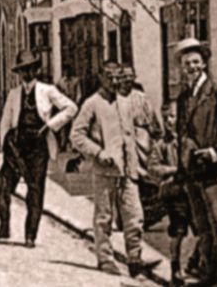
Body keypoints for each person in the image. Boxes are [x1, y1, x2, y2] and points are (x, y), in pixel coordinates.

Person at [0, 48, 77, 248]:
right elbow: (5, 122)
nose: (27, 74)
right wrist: (6, 148)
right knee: (0, 186)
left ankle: (30, 235)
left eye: (30, 69)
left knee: (35, 191)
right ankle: (4, 227)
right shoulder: (14, 94)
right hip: (17, 147)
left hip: (38, 148)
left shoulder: (48, 90)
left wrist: (51, 125)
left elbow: (71, 108)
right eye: (23, 70)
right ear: (19, 73)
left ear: (36, 70)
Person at [72, 63, 150, 277]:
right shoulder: (91, 104)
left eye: (117, 77)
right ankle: (105, 259)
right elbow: (76, 135)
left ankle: (135, 259)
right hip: (105, 172)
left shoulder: (126, 102)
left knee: (135, 216)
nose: (114, 82)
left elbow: (139, 130)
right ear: (100, 77)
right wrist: (98, 152)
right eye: (109, 77)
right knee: (104, 217)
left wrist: (141, 161)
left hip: (128, 171)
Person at [173, 37, 217, 287]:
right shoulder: (183, 97)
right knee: (202, 228)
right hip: (192, 172)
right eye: (187, 63)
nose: (192, 67)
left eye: (196, 62)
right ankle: (209, 275)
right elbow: (181, 134)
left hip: (213, 172)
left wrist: (214, 152)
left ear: (204, 65)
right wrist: (182, 167)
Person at [147, 100, 196, 286]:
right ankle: (175, 268)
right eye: (166, 117)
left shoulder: (191, 140)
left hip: (194, 191)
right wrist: (173, 170)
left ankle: (195, 262)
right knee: (178, 232)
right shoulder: (162, 145)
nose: (169, 121)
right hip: (175, 193)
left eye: (173, 116)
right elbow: (153, 167)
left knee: (202, 231)